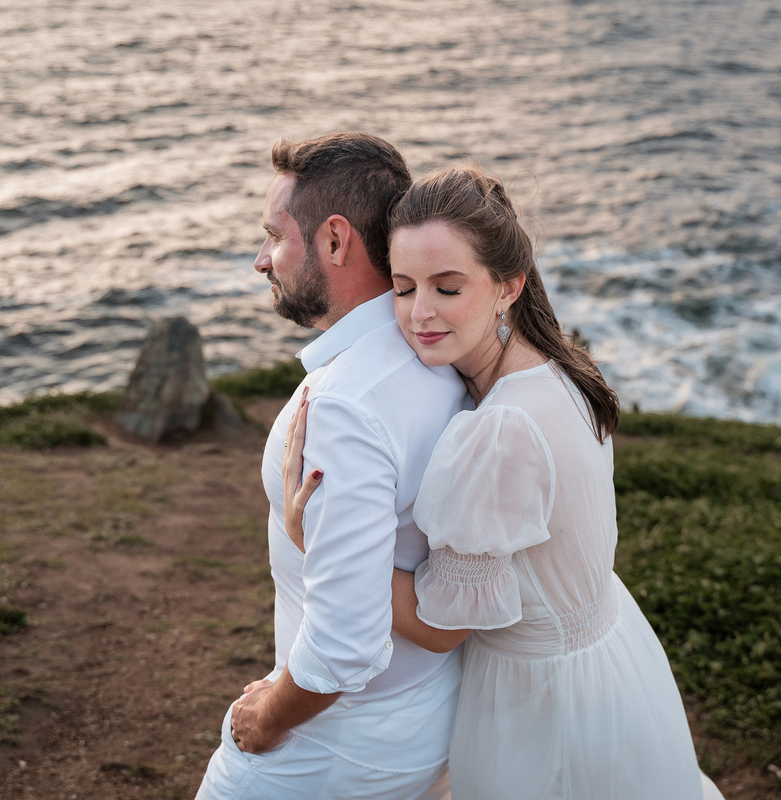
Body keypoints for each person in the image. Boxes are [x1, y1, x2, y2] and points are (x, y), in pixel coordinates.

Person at [283, 165, 725, 799]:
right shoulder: (557, 370)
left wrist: (321, 540)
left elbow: (443, 629)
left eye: (449, 287)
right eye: (404, 289)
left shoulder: (501, 431)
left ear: (508, 285)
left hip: (542, 699)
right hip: (611, 657)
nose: (421, 313)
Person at [195, 133, 467, 800]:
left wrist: (265, 719)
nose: (262, 260)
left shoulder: (348, 402)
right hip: (421, 712)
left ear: (335, 241)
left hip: (334, 742)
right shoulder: (442, 360)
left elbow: (346, 643)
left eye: (275, 236)